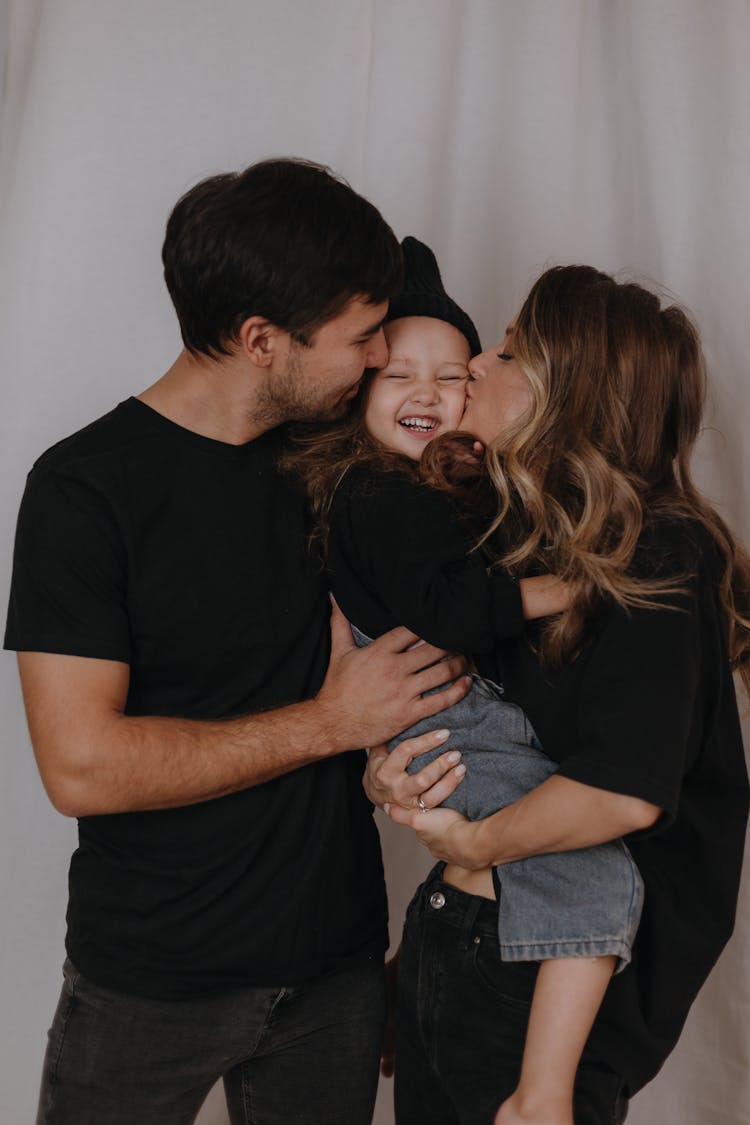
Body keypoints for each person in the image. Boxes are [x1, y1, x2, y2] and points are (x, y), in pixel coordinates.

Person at [3, 158, 474, 1125]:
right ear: (261, 340)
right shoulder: (86, 489)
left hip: (336, 979)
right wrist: (332, 722)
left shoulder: (342, 462)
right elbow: (82, 767)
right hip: (150, 985)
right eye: (362, 335)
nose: (382, 355)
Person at [369, 264, 750, 1124]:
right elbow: (480, 727)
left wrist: (478, 839)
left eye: (506, 351)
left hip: (545, 981)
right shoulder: (517, 532)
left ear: (564, 393)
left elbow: (621, 792)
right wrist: (387, 775)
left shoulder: (657, 552)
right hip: (459, 940)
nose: (477, 364)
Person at [283, 239, 646, 1125]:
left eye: (452, 376)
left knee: (583, 870)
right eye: (398, 373)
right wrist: (568, 585)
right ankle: (542, 1096)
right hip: (451, 720)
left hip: (448, 723)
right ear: (356, 390)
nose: (429, 393)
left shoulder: (434, 492)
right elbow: (452, 609)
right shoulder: (380, 495)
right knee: (591, 871)